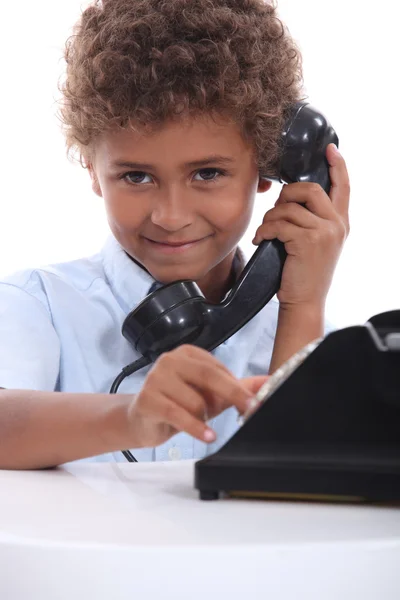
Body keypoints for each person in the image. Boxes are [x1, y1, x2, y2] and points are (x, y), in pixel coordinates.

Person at [0, 0, 350, 469]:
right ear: (92, 169)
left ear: (268, 169)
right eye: (137, 177)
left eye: (207, 173)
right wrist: (130, 417)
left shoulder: (323, 345)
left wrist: (301, 308)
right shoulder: (35, 304)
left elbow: (305, 502)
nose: (170, 216)